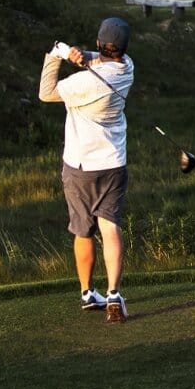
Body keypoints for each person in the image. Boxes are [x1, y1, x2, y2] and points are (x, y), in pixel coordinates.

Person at [39, 17, 136, 323]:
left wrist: (58, 54)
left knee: (83, 231)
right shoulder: (128, 67)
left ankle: (85, 292)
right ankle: (113, 294)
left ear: (98, 43)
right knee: (109, 228)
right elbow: (100, 61)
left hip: (79, 166)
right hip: (113, 164)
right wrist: (78, 56)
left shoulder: (82, 84)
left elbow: (46, 92)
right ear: (123, 48)